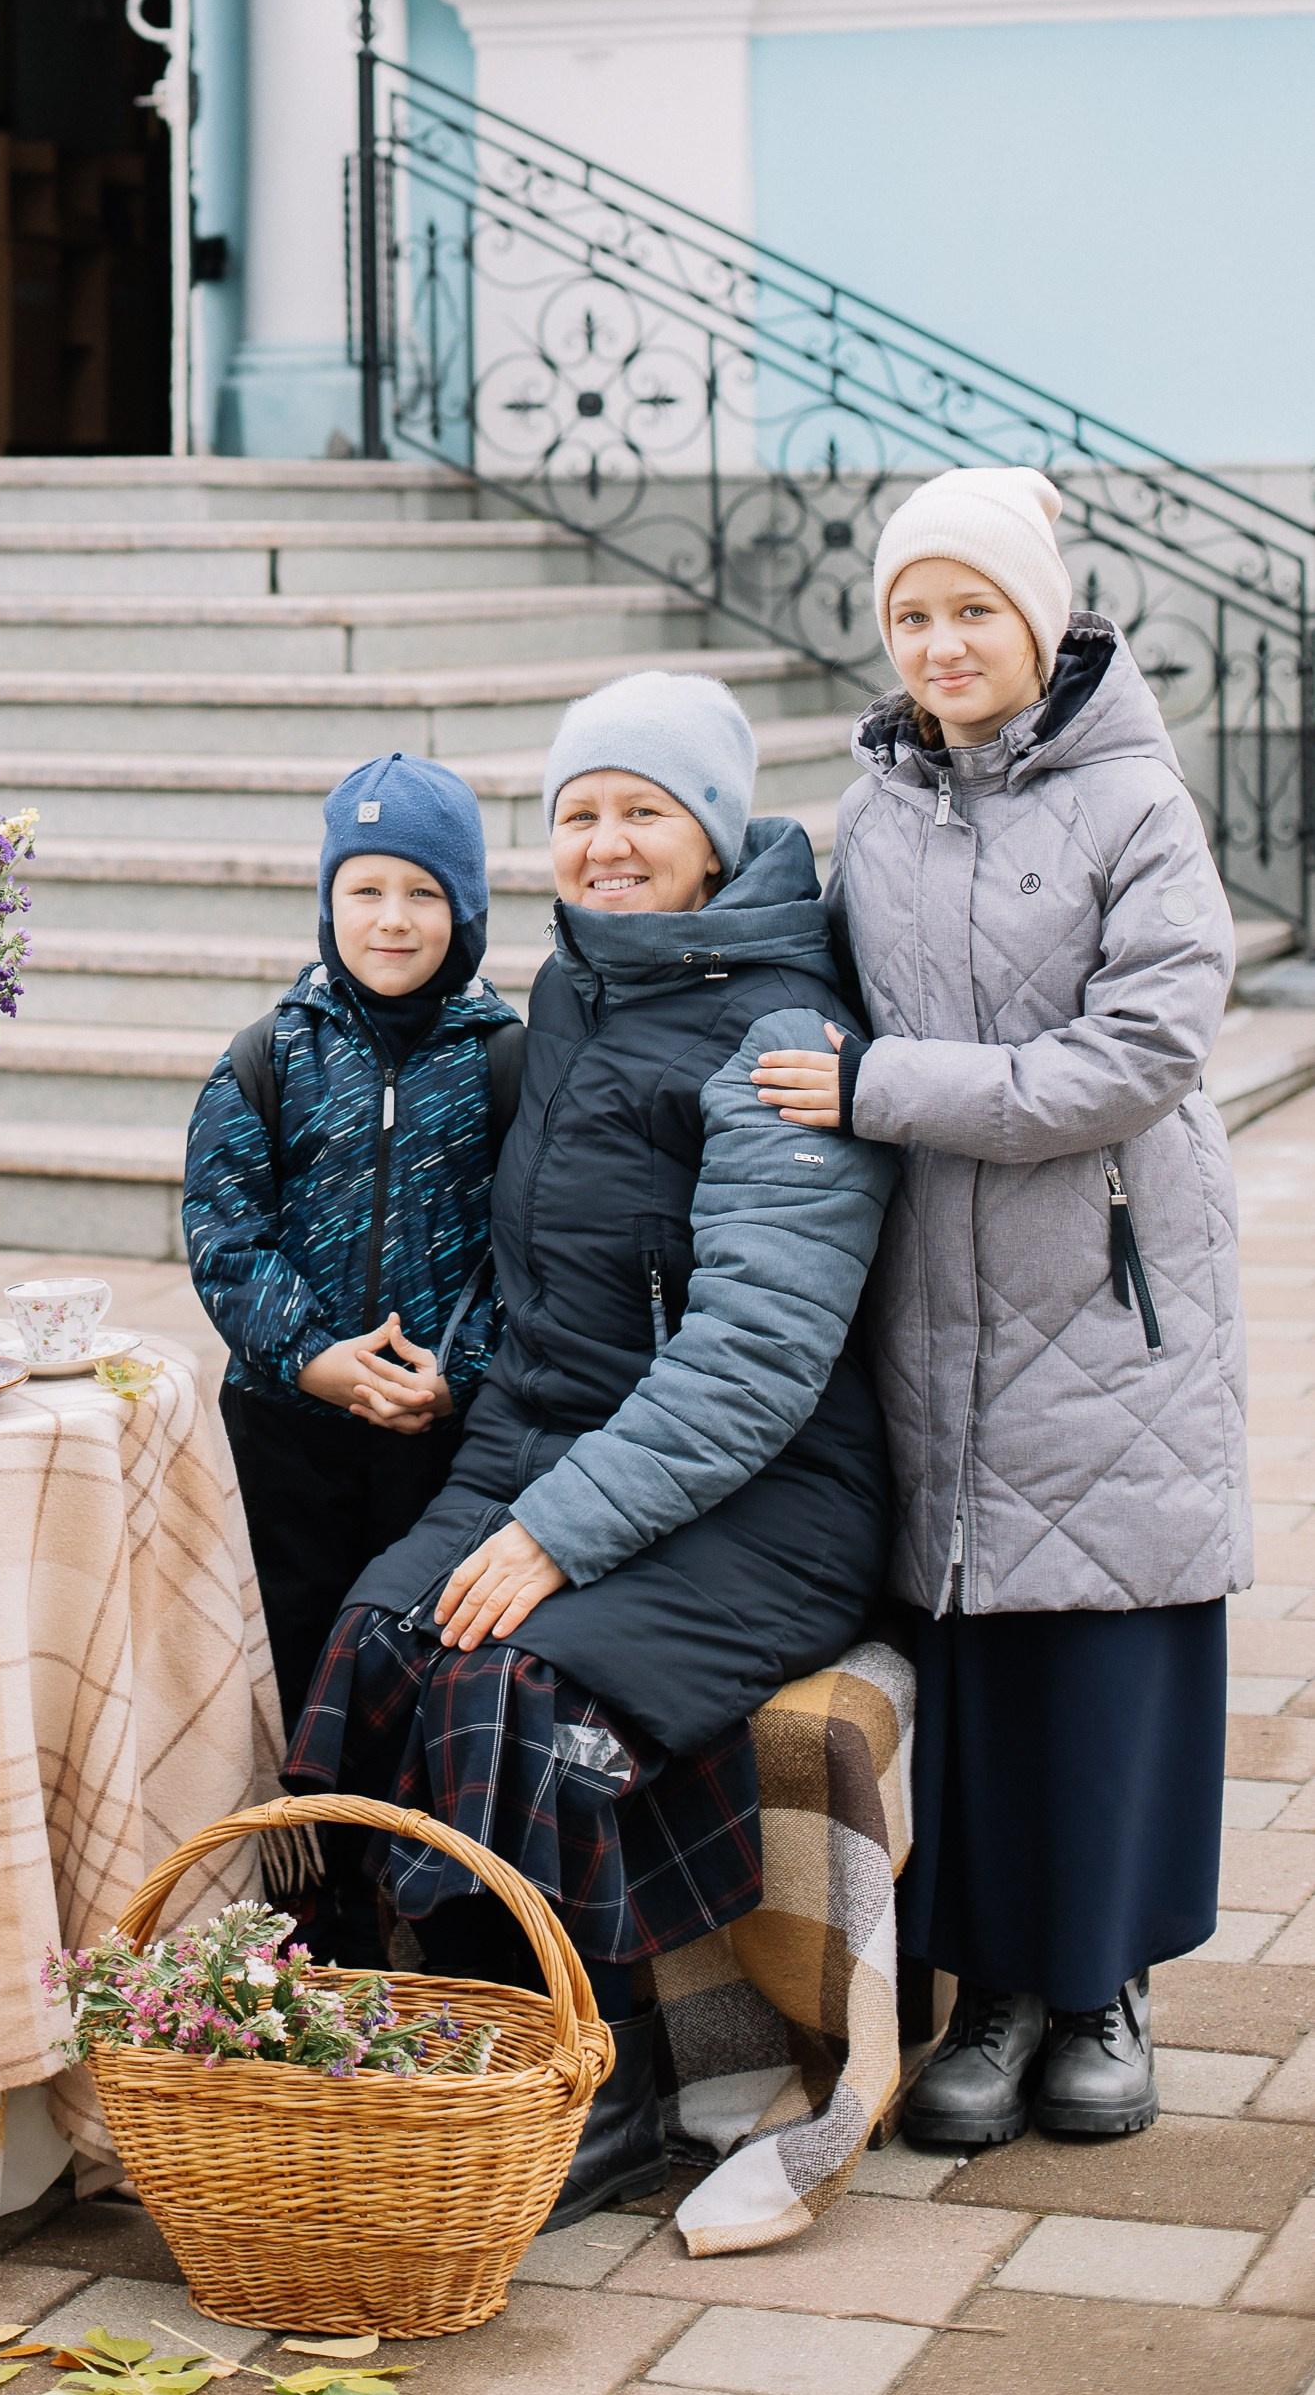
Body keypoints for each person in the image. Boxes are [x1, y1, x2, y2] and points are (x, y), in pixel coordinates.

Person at [289, 675, 897, 2224]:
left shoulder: (777, 1027)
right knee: (372, 1639)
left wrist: (553, 1534)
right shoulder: (574, 990)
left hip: (761, 1495)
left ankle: (604, 2077)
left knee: (516, 1678)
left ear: (710, 834)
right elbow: (555, 1295)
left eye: (643, 812)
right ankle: (417, 2045)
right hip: (550, 1442)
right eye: (577, 816)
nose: (607, 845)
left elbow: (753, 1363)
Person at [754, 466, 1248, 2148]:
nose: (940, 642)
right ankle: (989, 1993)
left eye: (972, 610)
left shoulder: (1135, 805)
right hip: (933, 1304)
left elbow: (1138, 1057)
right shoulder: (878, 802)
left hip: (1106, 1294)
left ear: (1038, 621)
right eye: (910, 615)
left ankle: (1099, 1987)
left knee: (1097, 1641)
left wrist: (881, 1085)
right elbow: (806, 993)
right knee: (964, 1650)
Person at [184, 754, 521, 1735]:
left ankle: (406, 1864)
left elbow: (530, 1251)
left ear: (465, 909)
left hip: (443, 1433)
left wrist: (461, 1372)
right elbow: (223, 1232)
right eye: (363, 887)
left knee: (425, 1656)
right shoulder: (267, 1056)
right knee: (293, 1650)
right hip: (289, 1433)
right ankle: (307, 1868)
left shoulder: (507, 1060)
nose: (391, 917)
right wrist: (312, 1357)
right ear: (327, 901)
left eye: (423, 891)